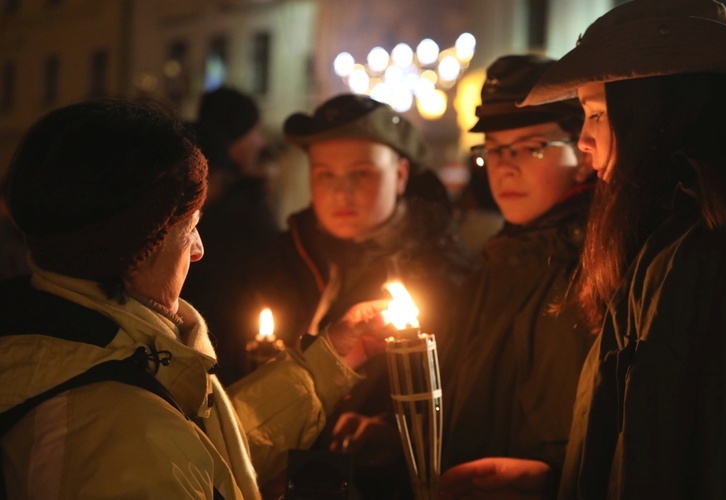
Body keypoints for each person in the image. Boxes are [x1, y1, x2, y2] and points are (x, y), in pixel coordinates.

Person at [0, 98, 395, 498]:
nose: (199, 249)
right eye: (189, 228)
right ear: (138, 246)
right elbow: (158, 449)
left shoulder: (80, 342)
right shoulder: (120, 432)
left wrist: (326, 364)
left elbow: (204, 454)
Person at [445, 0, 726, 497]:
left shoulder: (702, 252)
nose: (585, 141)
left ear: (653, 110)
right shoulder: (662, 241)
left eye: (596, 114)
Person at [227, 93, 477, 498]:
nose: (341, 192)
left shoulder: (447, 276)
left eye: (361, 174)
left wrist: (394, 433)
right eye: (325, 174)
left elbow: (468, 403)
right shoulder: (274, 262)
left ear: (399, 174)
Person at [437, 54, 596, 500]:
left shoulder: (598, 265)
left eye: (530, 147)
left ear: (583, 156)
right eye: (494, 149)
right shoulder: (498, 260)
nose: (505, 167)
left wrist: (553, 481)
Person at [180, 87, 280, 384]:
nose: (260, 141)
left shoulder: (179, 181)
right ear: (236, 138)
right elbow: (268, 264)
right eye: (254, 131)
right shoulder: (244, 203)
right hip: (228, 349)